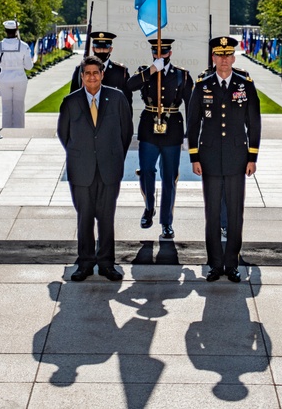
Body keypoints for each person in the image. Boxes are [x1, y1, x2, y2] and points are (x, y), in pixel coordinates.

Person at [187, 36, 261, 283]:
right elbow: (193, 121)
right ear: (213, 58)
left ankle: (232, 264)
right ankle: (215, 264)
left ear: (233, 57)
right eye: (219, 55)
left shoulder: (244, 84)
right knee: (212, 213)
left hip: (237, 158)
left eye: (228, 55)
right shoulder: (203, 84)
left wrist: (252, 156)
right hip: (208, 158)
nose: (224, 60)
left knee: (235, 214)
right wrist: (194, 156)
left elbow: (254, 122)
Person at [57, 55, 134, 282]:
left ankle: (107, 264)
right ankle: (85, 263)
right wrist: (81, 153)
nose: (92, 77)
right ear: (82, 77)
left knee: (107, 218)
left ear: (102, 75)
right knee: (85, 218)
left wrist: (113, 155)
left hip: (109, 168)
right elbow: (64, 134)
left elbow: (126, 132)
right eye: (87, 73)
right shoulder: (70, 102)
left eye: (95, 72)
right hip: (81, 170)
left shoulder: (117, 98)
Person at [126, 37, 194, 239]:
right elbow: (130, 85)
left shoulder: (182, 75)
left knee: (169, 178)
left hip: (172, 129)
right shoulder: (145, 72)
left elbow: (190, 105)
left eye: (163, 53)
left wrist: (191, 134)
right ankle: (149, 207)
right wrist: (151, 70)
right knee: (146, 170)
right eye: (156, 53)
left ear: (170, 53)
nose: (160, 56)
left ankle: (166, 222)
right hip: (148, 128)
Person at [0, 20, 34, 128]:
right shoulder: (24, 46)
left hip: (4, 78)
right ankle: (18, 133)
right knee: (19, 107)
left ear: (5, 30)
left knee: (6, 108)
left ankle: (6, 132)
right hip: (20, 78)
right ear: (16, 30)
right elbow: (29, 66)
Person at [70, 31, 132, 104]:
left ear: (110, 49)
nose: (101, 51)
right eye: (98, 48)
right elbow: (73, 98)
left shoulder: (120, 71)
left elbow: (127, 101)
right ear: (93, 49)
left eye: (105, 48)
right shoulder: (81, 69)